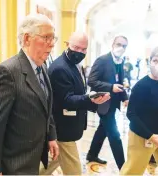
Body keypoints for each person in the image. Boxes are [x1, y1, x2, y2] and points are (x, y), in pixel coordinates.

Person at [0, 14, 59, 175]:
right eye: (46, 38)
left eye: (53, 38)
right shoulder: (7, 72)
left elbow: (45, 105)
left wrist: (51, 136)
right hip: (15, 162)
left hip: (35, 155)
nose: (51, 44)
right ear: (27, 38)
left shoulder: (41, 66)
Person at [43, 32, 110, 175]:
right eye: (76, 47)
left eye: (84, 49)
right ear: (67, 44)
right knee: (75, 172)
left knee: (50, 163)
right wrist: (89, 99)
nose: (80, 52)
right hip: (62, 128)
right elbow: (65, 100)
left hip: (67, 127)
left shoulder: (74, 64)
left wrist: (91, 98)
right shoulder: (60, 67)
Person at [86, 35, 129, 170]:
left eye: (124, 46)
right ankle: (124, 168)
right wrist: (110, 87)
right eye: (119, 44)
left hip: (113, 104)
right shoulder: (102, 60)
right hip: (103, 102)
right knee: (115, 135)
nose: (121, 48)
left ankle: (92, 155)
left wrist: (125, 97)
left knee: (102, 130)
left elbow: (119, 82)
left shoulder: (120, 62)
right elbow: (91, 81)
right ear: (112, 44)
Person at [120, 44, 158, 175]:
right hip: (142, 136)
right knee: (133, 171)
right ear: (150, 62)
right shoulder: (141, 86)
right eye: (155, 60)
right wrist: (151, 136)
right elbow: (131, 114)